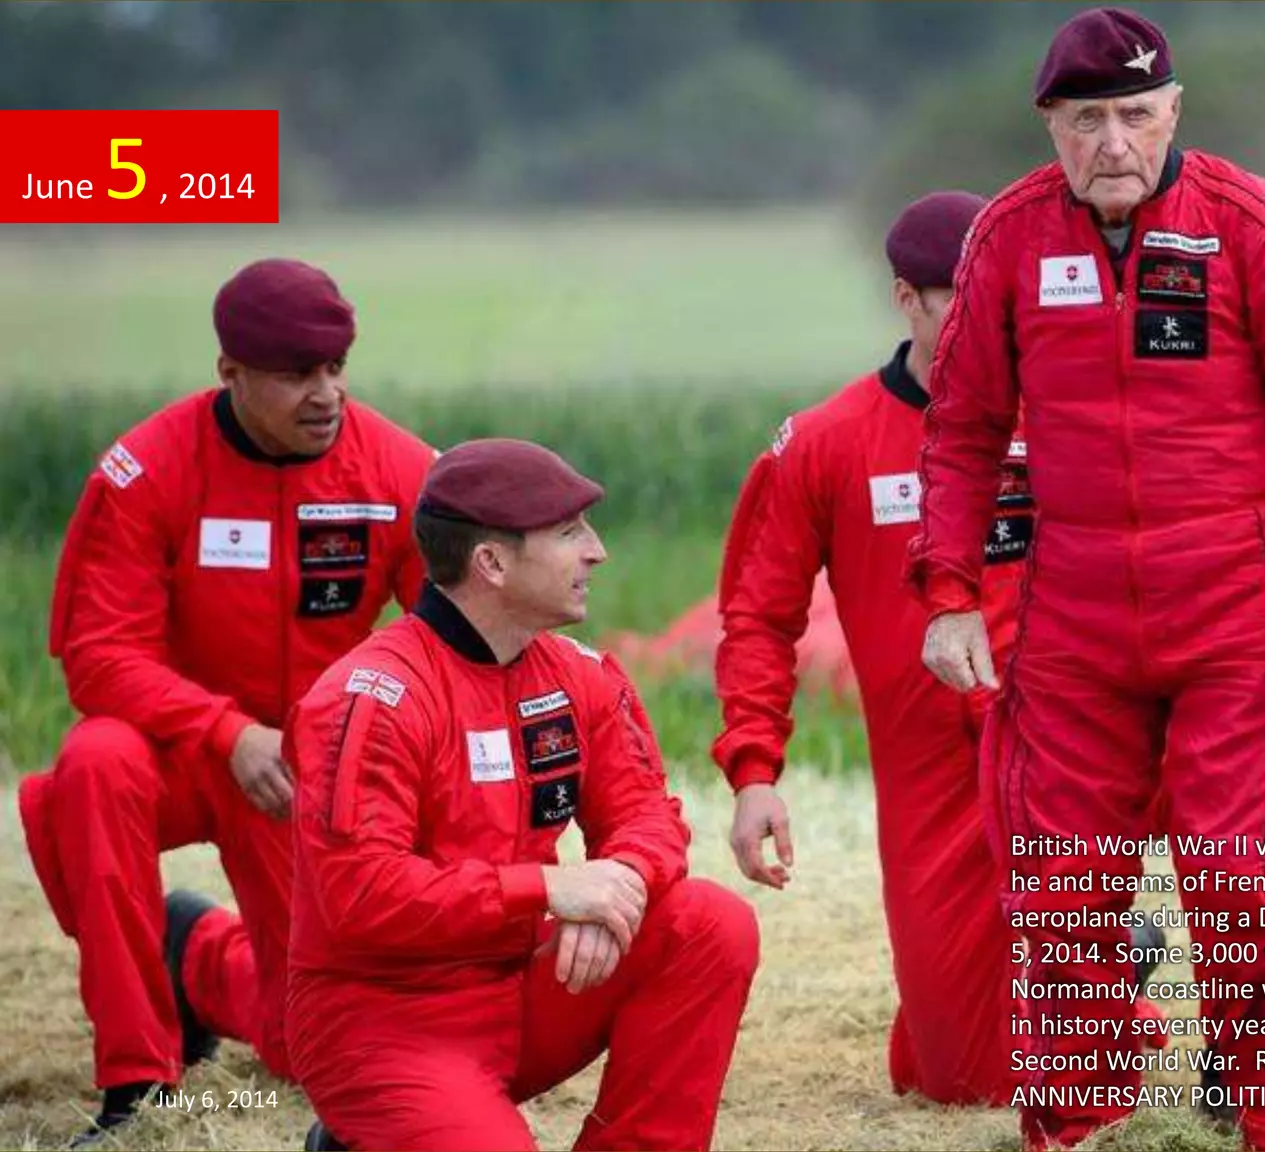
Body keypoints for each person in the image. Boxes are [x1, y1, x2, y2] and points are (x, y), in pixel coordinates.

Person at [908, 9, 1265, 1148]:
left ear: (1173, 112)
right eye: (1086, 120)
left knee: (1247, 885)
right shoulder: (1006, 238)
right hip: (1072, 603)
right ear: (1050, 129)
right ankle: (1073, 1127)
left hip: (1242, 598)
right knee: (1058, 888)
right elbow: (963, 428)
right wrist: (945, 593)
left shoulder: (1248, 219)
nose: (1112, 141)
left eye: (1133, 114)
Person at [18, 258, 435, 1142]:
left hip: (302, 775)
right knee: (94, 761)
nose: (325, 394)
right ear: (231, 375)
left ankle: (196, 954)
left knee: (299, 1046)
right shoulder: (146, 471)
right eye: (295, 375)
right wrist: (226, 729)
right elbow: (98, 658)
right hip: (180, 754)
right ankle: (138, 1083)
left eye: (336, 368)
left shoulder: (399, 470)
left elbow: (453, 643)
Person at [283, 439, 757, 1151]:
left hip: (521, 988)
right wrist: (550, 889)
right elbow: (361, 897)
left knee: (709, 924)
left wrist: (617, 886)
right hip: (385, 1022)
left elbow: (647, 817)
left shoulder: (577, 675)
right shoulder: (373, 699)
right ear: (492, 564)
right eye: (569, 533)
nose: (596, 551)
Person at [713, 190, 1032, 1104]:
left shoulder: (1072, 418)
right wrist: (755, 769)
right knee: (958, 1083)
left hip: (1070, 748)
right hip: (927, 763)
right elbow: (759, 619)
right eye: (961, 302)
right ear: (907, 299)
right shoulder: (826, 442)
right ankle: (1009, 995)